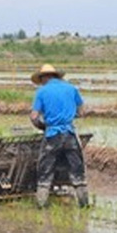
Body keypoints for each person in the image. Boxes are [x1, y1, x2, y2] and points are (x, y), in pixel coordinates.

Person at [30, 64, 88, 208]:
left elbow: (34, 116)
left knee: (45, 170)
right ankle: (84, 204)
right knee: (77, 170)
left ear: (44, 77)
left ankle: (41, 205)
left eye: (41, 79)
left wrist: (42, 126)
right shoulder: (71, 88)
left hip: (52, 135)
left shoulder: (42, 92)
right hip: (69, 134)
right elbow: (81, 112)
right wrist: (67, 116)